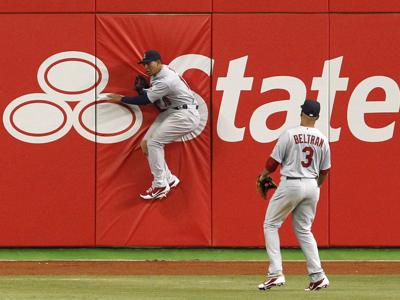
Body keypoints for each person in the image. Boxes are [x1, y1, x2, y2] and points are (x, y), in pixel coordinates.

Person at [257, 99, 331, 292]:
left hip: (291, 182)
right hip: (312, 186)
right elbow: (325, 171)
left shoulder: (289, 134)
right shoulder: (323, 138)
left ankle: (275, 273)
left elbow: (273, 162)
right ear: (317, 117)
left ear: (302, 114)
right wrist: (316, 187)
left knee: (270, 224)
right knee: (304, 230)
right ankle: (318, 276)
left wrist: (263, 175)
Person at [108, 50, 200, 200]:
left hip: (185, 115)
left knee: (154, 143)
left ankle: (160, 184)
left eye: (149, 63)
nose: (146, 67)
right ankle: (169, 179)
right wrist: (145, 91)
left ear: (158, 62)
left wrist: (122, 98)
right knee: (146, 144)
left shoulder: (166, 80)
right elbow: (156, 99)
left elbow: (145, 101)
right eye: (144, 64)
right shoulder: (160, 73)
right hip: (173, 111)